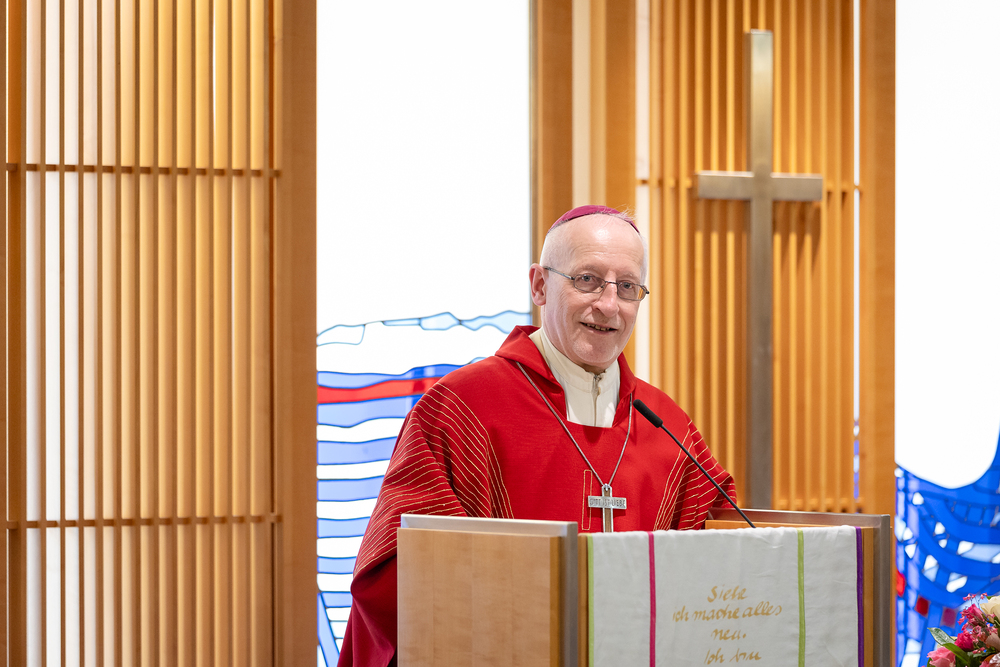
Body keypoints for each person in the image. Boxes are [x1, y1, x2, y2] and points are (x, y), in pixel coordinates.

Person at [336, 205, 737, 666]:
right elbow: (401, 570)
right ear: (540, 286)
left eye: (627, 287)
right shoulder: (461, 408)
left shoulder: (667, 426)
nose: (609, 305)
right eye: (587, 280)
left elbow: (722, 566)